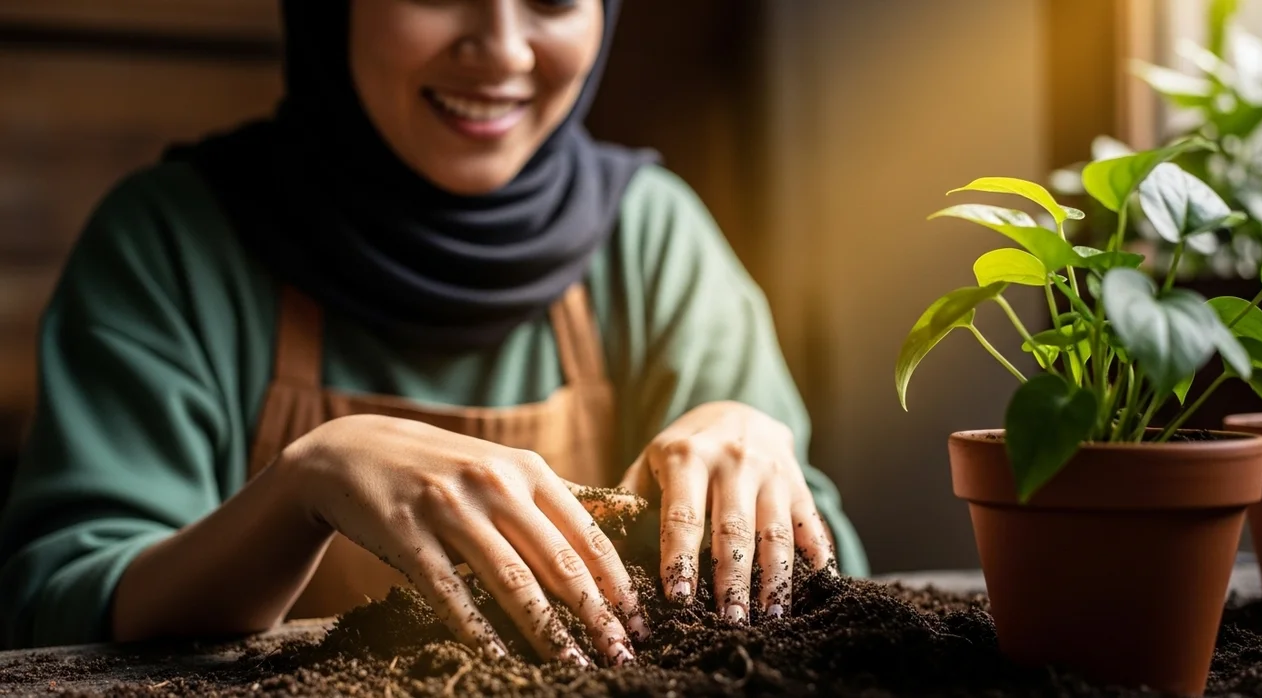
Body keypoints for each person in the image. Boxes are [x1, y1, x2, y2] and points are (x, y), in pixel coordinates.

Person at [0, 0, 868, 665]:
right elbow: (62, 606)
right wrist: (303, 485)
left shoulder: (651, 239)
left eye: (554, 0)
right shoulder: (169, 244)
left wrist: (751, 454)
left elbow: (833, 591)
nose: (502, 49)